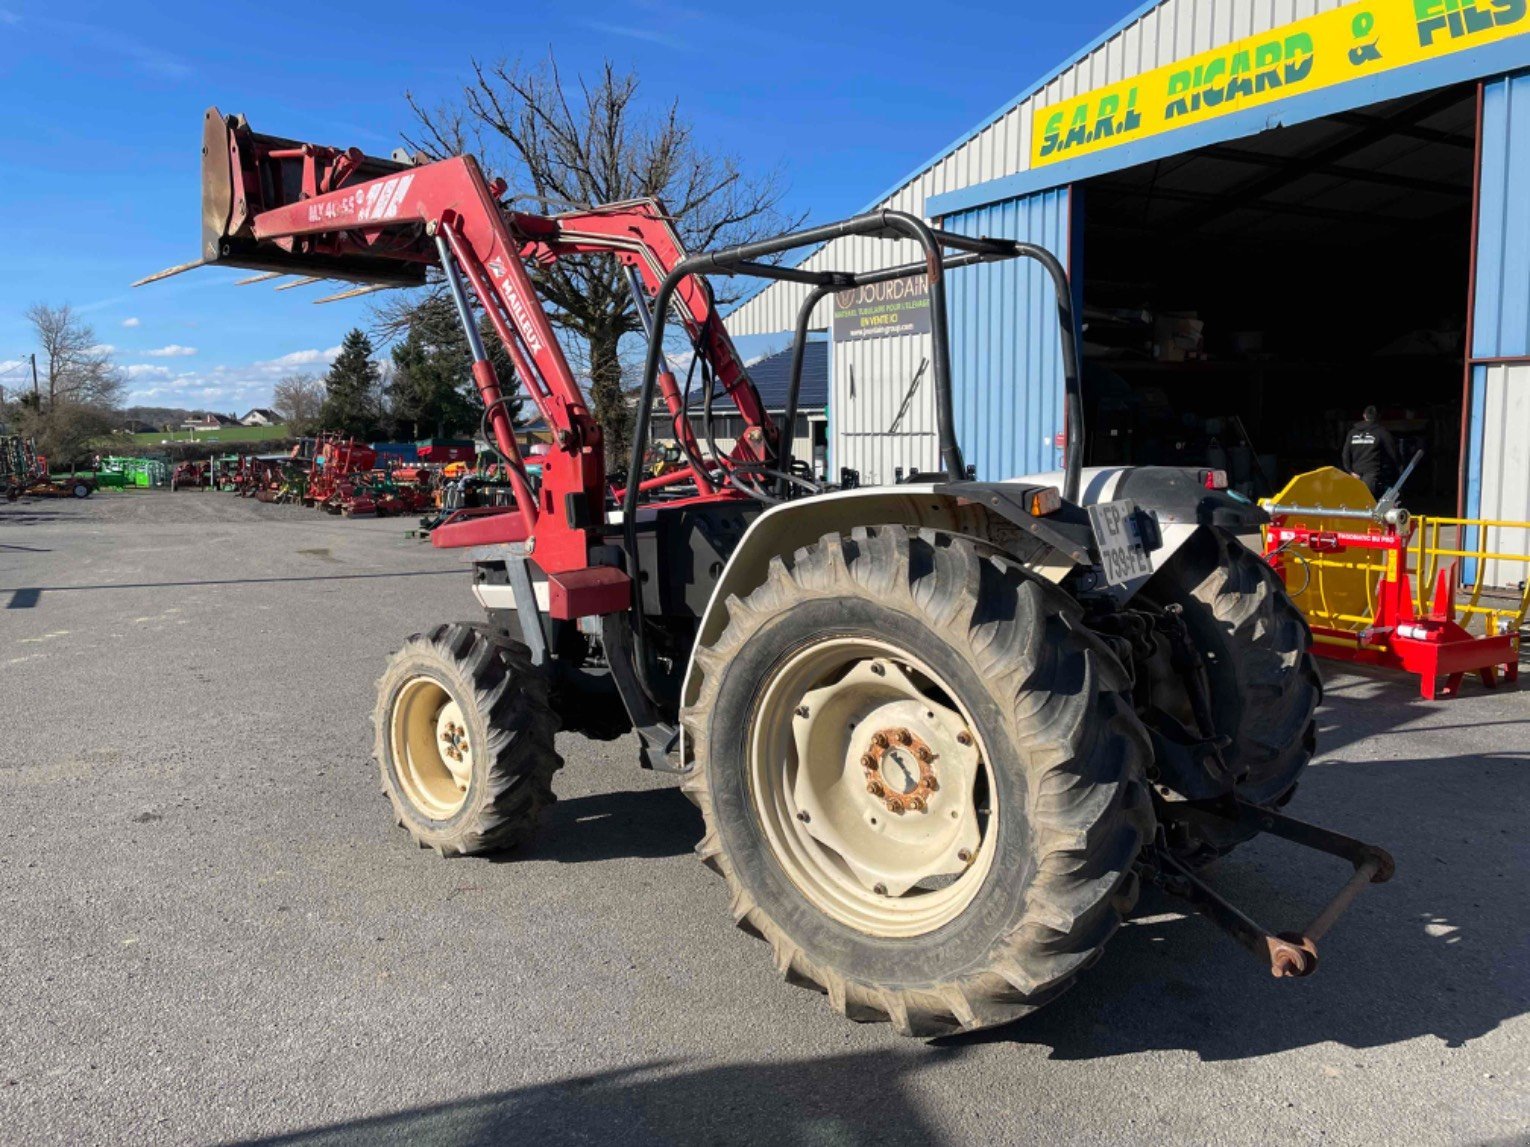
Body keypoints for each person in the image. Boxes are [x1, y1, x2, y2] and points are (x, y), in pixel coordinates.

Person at [1341, 406, 1401, 498]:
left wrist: (1350, 471)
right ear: (1378, 417)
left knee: (1357, 505)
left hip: (1355, 476)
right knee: (1372, 506)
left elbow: (1345, 455)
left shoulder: (1352, 433)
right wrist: (1398, 469)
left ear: (1364, 416)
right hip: (1373, 477)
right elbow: (1393, 454)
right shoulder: (1382, 432)